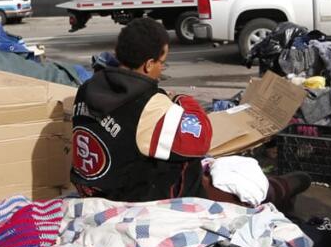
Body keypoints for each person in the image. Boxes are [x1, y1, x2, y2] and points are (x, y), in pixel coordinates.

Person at [71, 17, 309, 205]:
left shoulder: (87, 88)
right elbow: (200, 139)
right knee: (223, 183)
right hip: (136, 201)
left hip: (95, 189)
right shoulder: (148, 105)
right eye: (162, 62)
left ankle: (280, 186)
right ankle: (279, 189)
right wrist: (184, 100)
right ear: (148, 64)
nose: (161, 68)